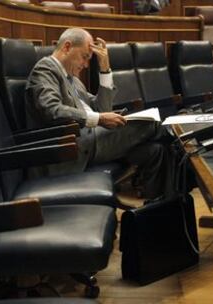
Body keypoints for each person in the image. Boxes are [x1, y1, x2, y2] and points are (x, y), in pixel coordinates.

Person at [25, 27, 176, 199]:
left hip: (92, 143)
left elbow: (102, 109)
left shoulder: (72, 79)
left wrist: (105, 69)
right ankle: (185, 135)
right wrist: (99, 119)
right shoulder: (45, 69)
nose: (86, 64)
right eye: (85, 57)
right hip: (73, 148)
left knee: (156, 150)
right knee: (151, 124)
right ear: (67, 47)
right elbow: (52, 110)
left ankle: (160, 206)